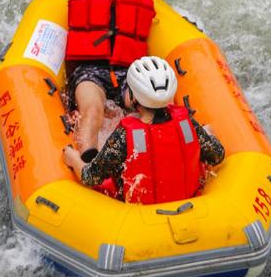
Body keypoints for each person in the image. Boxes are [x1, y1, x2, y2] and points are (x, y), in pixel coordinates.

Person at [11, 0, 242, 159]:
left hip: (130, 72)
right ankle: (90, 163)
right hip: (89, 71)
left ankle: (195, 145)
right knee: (93, 110)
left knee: (156, 111)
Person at [63, 56, 225, 203]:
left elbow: (90, 177)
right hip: (187, 201)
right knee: (208, 130)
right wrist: (209, 134)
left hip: (141, 211)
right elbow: (217, 156)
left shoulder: (124, 136)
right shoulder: (187, 123)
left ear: (133, 97)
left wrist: (73, 158)